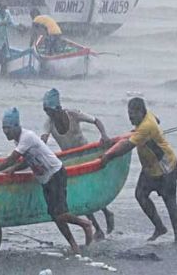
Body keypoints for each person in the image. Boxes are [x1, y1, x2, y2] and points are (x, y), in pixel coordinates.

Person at [0, 108, 93, 254]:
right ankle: (74, 246)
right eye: (3, 128)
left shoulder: (27, 137)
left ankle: (85, 224)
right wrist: (15, 169)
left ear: (16, 126)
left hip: (55, 174)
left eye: (8, 128)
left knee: (59, 214)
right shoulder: (18, 140)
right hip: (45, 179)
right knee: (55, 216)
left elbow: (11, 159)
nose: (5, 132)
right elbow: (28, 160)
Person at [101, 98, 177, 243]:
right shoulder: (147, 117)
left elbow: (127, 146)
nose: (130, 117)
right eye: (128, 113)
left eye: (133, 114)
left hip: (166, 168)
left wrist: (108, 156)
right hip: (150, 168)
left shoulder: (146, 126)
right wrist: (145, 133)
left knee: (170, 202)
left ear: (141, 112)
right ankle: (160, 227)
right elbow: (157, 120)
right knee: (140, 195)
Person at [40, 88, 115, 240]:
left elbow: (96, 121)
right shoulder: (49, 123)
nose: (49, 115)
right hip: (71, 160)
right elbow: (43, 139)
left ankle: (107, 212)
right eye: (46, 112)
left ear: (58, 108)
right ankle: (97, 229)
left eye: (50, 111)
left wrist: (104, 135)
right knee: (81, 196)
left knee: (92, 190)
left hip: (87, 155)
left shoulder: (73, 114)